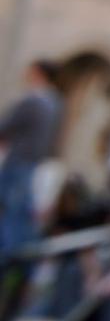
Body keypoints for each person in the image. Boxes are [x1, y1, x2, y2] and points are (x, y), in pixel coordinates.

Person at [0, 59, 63, 256]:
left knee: (12, 213)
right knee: (23, 213)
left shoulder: (33, 100)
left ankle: (7, 258)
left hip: (20, 160)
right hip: (35, 162)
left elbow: (6, 126)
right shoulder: (56, 102)